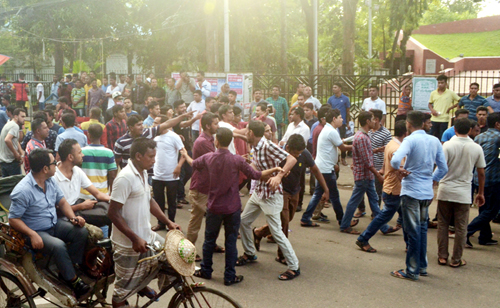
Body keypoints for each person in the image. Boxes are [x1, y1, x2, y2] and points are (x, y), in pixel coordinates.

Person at [184, 128, 277, 285]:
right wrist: (275, 170)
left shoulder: (209, 158)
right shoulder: (237, 160)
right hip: (232, 207)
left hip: (214, 206)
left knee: (209, 240)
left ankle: (206, 270)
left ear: (217, 141)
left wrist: (184, 154)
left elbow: (193, 163)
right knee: (231, 241)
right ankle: (229, 276)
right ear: (231, 142)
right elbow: (256, 175)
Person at [108, 138, 181, 308]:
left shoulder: (144, 172)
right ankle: (136, 289)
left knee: (174, 256)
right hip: (128, 245)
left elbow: (150, 200)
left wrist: (168, 222)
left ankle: (177, 293)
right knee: (121, 293)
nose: (154, 160)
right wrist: (134, 238)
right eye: (151, 156)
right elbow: (112, 213)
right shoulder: (125, 178)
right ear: (138, 156)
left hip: (148, 236)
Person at [9, 148, 90, 299]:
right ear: (45, 168)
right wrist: (32, 234)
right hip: (36, 231)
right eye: (54, 162)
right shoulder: (23, 190)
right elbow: (13, 219)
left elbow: (62, 202)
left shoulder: (50, 180)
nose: (56, 164)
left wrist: (74, 218)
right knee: (59, 246)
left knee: (81, 232)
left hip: (53, 224)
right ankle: (72, 280)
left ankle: (67, 269)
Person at [238, 121, 301, 281]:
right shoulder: (255, 147)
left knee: (277, 232)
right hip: (259, 192)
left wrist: (279, 176)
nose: (245, 133)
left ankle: (294, 266)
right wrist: (247, 165)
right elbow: (256, 165)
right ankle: (250, 253)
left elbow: (292, 160)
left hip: (271, 195)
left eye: (246, 131)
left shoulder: (267, 146)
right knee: (244, 221)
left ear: (251, 132)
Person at [390, 110, 448, 281]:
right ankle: (421, 266)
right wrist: (432, 180)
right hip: (426, 192)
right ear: (423, 123)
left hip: (412, 192)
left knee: (413, 232)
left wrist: (399, 169)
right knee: (421, 230)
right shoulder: (434, 140)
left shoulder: (410, 140)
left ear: (408, 124)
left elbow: (395, 160)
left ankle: (412, 270)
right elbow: (443, 168)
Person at [437, 117, 485, 267]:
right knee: (461, 227)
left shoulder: (447, 146)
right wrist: (480, 193)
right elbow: (481, 172)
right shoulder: (476, 147)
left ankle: (442, 256)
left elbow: (440, 167)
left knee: (443, 224)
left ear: (454, 129)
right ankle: (456, 259)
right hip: (464, 192)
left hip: (445, 189)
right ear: (470, 130)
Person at [355, 120, 407, 253]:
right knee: (384, 216)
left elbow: (386, 163)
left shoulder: (391, 143)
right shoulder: (397, 148)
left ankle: (409, 243)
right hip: (393, 189)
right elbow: (399, 169)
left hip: (393, 187)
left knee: (405, 215)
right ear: (406, 133)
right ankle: (363, 238)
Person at [301, 109, 351, 226]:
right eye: (340, 117)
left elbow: (338, 145)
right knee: (334, 195)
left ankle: (306, 217)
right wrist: (357, 145)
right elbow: (343, 148)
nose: (342, 119)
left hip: (323, 167)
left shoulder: (328, 129)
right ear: (334, 119)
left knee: (319, 193)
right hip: (326, 168)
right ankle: (342, 220)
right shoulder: (331, 131)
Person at [339, 111, 385, 234]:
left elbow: (364, 153)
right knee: (356, 201)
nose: (375, 121)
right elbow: (367, 162)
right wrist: (378, 175)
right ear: (367, 121)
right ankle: (345, 225)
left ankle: (384, 227)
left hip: (365, 175)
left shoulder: (360, 135)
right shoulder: (362, 137)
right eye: (373, 119)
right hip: (364, 175)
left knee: (374, 200)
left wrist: (376, 150)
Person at [185, 112, 220, 259]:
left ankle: (211, 244)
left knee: (213, 218)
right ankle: (188, 252)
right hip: (201, 187)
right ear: (207, 125)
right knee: (197, 220)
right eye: (215, 123)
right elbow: (217, 160)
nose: (217, 126)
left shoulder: (209, 139)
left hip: (207, 186)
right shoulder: (203, 142)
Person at [55, 138, 111, 229]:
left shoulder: (77, 171)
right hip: (66, 215)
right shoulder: (54, 177)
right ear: (70, 157)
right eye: (79, 152)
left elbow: (97, 194)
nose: (83, 155)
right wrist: (80, 206)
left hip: (79, 205)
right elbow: (57, 210)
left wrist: (114, 200)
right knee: (108, 215)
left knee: (110, 208)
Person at [114, 112, 194, 169]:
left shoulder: (148, 132)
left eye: (142, 124)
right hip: (129, 177)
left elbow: (167, 124)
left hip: (148, 175)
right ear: (131, 128)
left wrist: (183, 116)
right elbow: (116, 163)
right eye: (139, 125)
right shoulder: (120, 142)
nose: (142, 127)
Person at [466, 112, 500, 247]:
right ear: (497, 124)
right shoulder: (499, 138)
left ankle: (484, 236)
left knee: (483, 207)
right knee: (492, 210)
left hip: (478, 177)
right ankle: (467, 231)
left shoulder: (480, 137)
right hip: (494, 178)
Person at [354, 109, 392, 218]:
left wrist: (383, 169)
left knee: (376, 192)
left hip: (378, 167)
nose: (372, 121)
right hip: (367, 168)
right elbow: (363, 152)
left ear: (376, 119)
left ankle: (376, 215)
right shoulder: (367, 133)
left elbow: (387, 153)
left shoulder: (386, 133)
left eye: (373, 118)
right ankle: (363, 210)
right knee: (362, 192)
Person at [151, 116, 186, 229]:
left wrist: (179, 166)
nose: (154, 125)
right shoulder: (154, 137)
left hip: (171, 176)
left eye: (156, 123)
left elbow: (183, 153)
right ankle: (161, 223)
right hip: (157, 175)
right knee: (159, 201)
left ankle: (172, 223)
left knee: (172, 202)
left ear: (164, 124)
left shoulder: (174, 137)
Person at [81, 124, 117, 202]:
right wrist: (111, 192)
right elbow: (112, 176)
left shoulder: (82, 152)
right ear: (101, 135)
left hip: (83, 195)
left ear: (88, 135)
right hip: (103, 194)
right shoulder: (109, 153)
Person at [428, 74, 461, 140]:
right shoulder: (433, 93)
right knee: (431, 136)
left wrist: (451, 108)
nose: (440, 84)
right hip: (434, 118)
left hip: (444, 119)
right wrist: (432, 110)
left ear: (446, 83)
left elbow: (460, 101)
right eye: (439, 83)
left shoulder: (450, 93)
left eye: (442, 83)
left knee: (442, 137)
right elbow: (429, 104)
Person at [327, 83, 351, 166]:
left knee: (343, 140)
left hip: (342, 123)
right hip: (333, 123)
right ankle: (335, 158)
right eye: (333, 87)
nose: (333, 89)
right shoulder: (330, 99)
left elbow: (348, 112)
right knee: (333, 141)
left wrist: (348, 123)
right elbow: (328, 110)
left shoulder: (345, 99)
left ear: (340, 88)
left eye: (335, 87)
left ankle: (343, 158)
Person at [0, 108, 25, 177]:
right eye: (22, 116)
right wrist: (16, 154)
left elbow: (15, 141)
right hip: (10, 162)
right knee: (15, 185)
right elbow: (7, 140)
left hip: (4, 162)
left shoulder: (9, 123)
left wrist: (21, 153)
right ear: (16, 116)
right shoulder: (15, 126)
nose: (24, 119)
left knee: (6, 185)